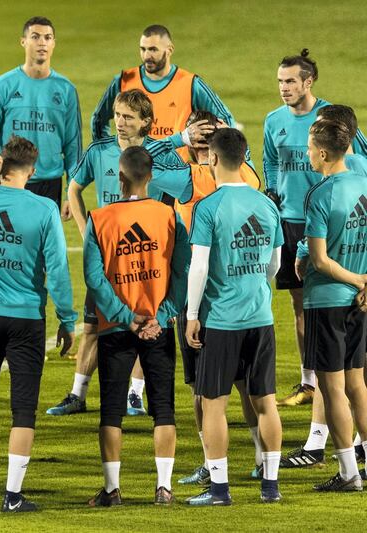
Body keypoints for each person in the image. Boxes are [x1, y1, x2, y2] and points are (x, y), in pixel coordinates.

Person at [47, 88, 209, 418]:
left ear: (146, 122)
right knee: (92, 326)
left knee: (147, 320)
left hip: (146, 256)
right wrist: (85, 230)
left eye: (128, 117)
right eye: (117, 115)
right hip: (109, 255)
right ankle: (78, 394)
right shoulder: (99, 151)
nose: (120, 123)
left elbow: (181, 196)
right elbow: (74, 188)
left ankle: (134, 395)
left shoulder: (160, 156)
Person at [141, 111, 265, 485]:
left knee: (203, 389)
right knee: (248, 386)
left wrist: (180, 136)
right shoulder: (249, 176)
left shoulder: (188, 179)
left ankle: (214, 467)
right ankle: (262, 458)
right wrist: (225, 131)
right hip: (246, 294)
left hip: (200, 297)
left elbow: (139, 158)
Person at [0, 137, 77, 512]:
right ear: (34, 171)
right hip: (26, 319)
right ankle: (12, 495)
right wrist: (68, 319)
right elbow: (57, 270)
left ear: (3, 166)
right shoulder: (44, 209)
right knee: (23, 409)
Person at [84, 146, 190, 507]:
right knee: (164, 407)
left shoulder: (99, 218)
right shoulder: (169, 215)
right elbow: (182, 271)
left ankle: (112, 490)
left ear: (120, 176)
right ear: (151, 177)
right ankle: (164, 487)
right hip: (159, 327)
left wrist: (126, 317)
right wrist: (162, 315)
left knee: (111, 409)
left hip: (117, 328)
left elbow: (94, 278)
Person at [183, 128, 284, 505]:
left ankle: (221, 489)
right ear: (244, 158)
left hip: (222, 320)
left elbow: (199, 267)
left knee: (214, 404)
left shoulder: (208, 207)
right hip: (260, 316)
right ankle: (271, 486)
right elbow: (274, 264)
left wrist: (193, 314)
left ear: (211, 158)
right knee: (265, 401)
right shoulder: (266, 205)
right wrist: (255, 285)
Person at [282, 104, 367, 470]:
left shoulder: (320, 193)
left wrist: (355, 277)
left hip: (328, 298)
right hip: (360, 302)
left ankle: (348, 471)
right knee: (357, 384)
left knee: (331, 388)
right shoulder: (364, 181)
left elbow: (318, 260)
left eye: (308, 147)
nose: (305, 154)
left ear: (321, 151)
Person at [0, 16, 81, 217]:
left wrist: (71, 193)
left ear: (54, 43)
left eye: (48, 37)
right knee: (11, 245)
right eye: (35, 36)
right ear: (23, 41)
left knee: (43, 246)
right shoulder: (2, 85)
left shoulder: (66, 90)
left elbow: (73, 146)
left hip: (50, 184)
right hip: (10, 179)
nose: (42, 42)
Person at [90, 24, 236, 159]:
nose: (147, 56)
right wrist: (108, 155)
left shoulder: (190, 83)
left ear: (170, 50)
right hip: (133, 174)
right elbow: (98, 119)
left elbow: (225, 120)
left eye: (153, 49)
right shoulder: (124, 80)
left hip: (175, 175)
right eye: (143, 49)